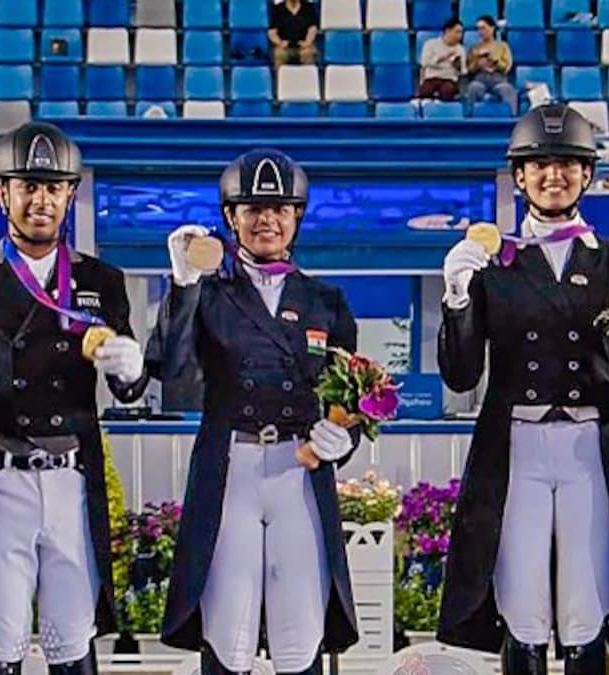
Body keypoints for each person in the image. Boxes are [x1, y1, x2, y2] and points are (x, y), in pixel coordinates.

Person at [436, 103, 609, 674]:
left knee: (585, 603)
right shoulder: (495, 264)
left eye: (567, 164)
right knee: (522, 604)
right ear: (519, 176)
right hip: (516, 446)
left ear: (587, 174)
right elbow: (462, 374)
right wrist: (458, 299)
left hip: (591, 444)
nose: (553, 175)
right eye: (539, 165)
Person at [0, 122, 149, 675]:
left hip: (72, 474)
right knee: (0, 638)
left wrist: (132, 367)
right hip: (2, 475)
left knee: (73, 637)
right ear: (3, 194)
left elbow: (125, 385)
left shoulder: (101, 280)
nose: (41, 200)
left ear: (70, 195)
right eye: (28, 186)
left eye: (54, 187)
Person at [157, 149, 360, 675]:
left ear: (296, 217)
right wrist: (180, 288)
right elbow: (169, 365)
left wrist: (345, 438)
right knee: (228, 633)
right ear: (231, 218)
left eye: (280, 209)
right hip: (232, 467)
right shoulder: (208, 295)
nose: (267, 219)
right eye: (252, 209)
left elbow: (351, 393)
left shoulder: (326, 301)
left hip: (300, 469)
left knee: (301, 631)